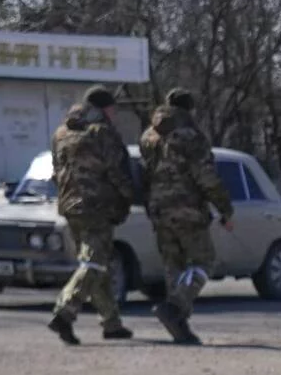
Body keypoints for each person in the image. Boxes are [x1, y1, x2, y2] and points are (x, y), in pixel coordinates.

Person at [140, 89, 233, 345]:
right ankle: (175, 307)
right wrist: (225, 208)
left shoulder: (149, 137)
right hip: (188, 209)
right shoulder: (191, 137)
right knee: (205, 261)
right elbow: (207, 178)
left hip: (159, 210)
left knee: (174, 266)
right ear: (190, 110)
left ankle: (179, 325)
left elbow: (144, 175)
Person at [47, 86, 137, 345]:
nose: (115, 114)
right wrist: (129, 197)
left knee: (96, 263)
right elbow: (117, 172)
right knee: (95, 263)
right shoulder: (102, 133)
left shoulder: (61, 133)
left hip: (70, 206)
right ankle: (64, 312)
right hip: (97, 207)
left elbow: (56, 172)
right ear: (103, 109)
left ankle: (111, 322)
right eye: (113, 109)